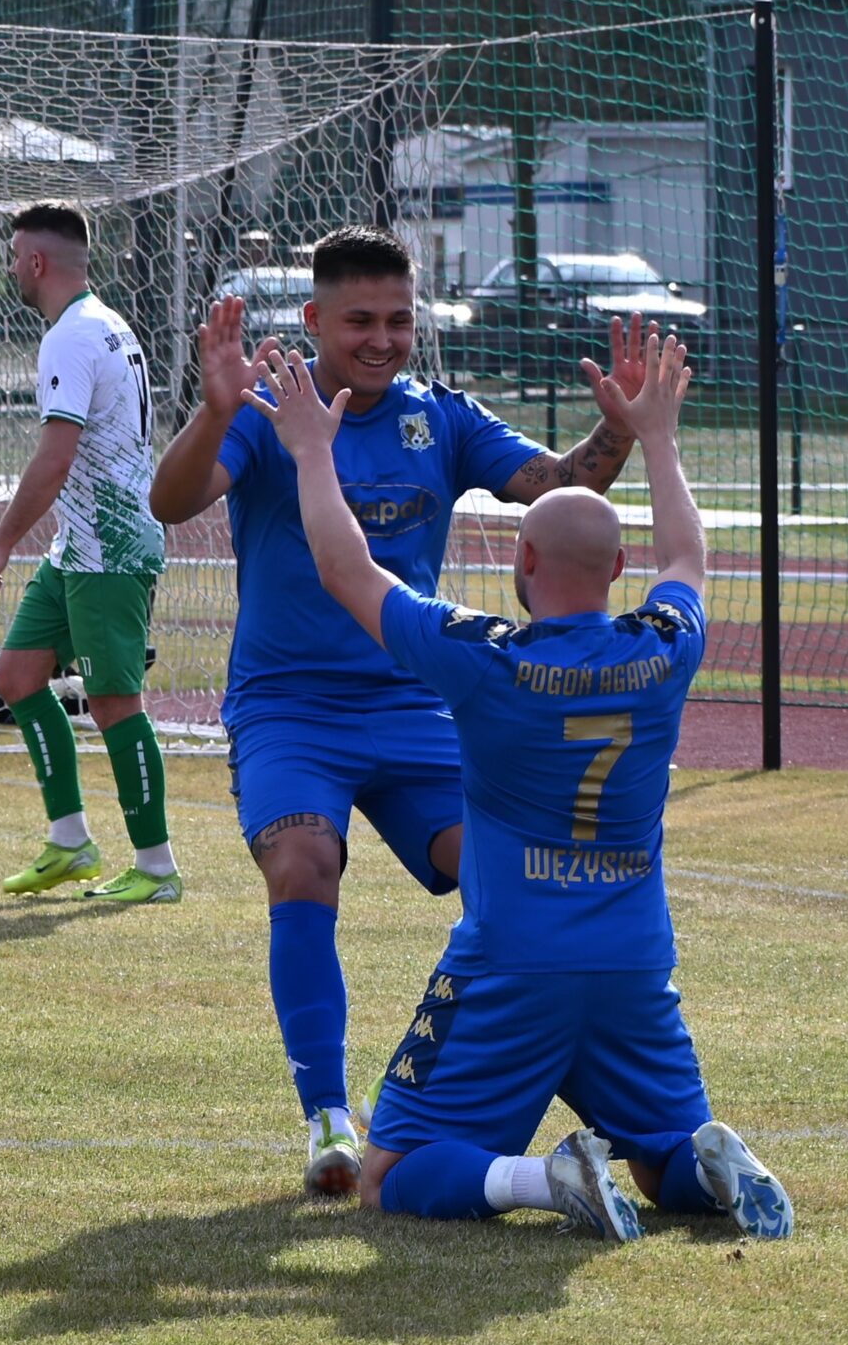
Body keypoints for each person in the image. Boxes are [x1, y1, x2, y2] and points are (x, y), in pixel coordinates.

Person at [243, 319, 792, 1241]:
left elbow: (346, 568)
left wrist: (308, 452)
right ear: (619, 570)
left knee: (391, 1171)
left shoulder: (486, 659)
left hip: (511, 965)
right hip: (634, 967)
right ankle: (709, 1166)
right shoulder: (665, 646)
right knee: (658, 1157)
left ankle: (547, 1178)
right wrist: (658, 438)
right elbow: (688, 559)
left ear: (523, 561)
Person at [147, 226, 644, 1196]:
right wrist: (211, 412)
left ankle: (582, 1094)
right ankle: (330, 1118)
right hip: (289, 707)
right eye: (360, 321)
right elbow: (174, 500)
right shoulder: (270, 410)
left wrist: (620, 426)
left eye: (399, 320)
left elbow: (560, 486)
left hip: (418, 704)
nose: (381, 339)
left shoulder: (439, 417)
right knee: (302, 860)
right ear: (314, 320)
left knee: (511, 871)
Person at [0, 202, 178, 904]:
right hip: (79, 548)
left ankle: (156, 868)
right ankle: (70, 842)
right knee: (17, 676)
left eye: (13, 258)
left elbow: (55, 458)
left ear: (36, 261)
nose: (10, 270)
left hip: (110, 550)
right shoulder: (105, 322)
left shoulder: (71, 336)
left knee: (115, 702)